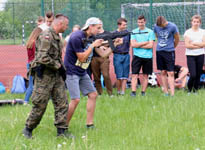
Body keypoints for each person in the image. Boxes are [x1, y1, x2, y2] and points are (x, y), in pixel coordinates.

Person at [22, 14, 73, 139]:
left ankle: (62, 132)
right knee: (40, 104)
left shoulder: (56, 37)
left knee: (62, 103)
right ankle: (28, 129)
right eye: (66, 25)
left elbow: (56, 56)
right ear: (60, 24)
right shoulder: (46, 36)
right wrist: (58, 66)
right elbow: (42, 57)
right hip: (44, 76)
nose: (67, 27)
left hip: (55, 76)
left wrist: (62, 69)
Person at [154, 16, 180, 96]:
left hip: (169, 52)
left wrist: (172, 47)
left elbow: (177, 38)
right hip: (159, 51)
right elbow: (157, 36)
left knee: (171, 72)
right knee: (163, 72)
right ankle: (166, 92)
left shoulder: (172, 26)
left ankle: (172, 93)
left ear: (165, 22)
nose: (161, 27)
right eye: (160, 26)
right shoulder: (155, 26)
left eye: (162, 26)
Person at [130, 15, 155, 97]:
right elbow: (133, 44)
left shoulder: (150, 32)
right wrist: (145, 42)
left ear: (145, 22)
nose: (140, 24)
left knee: (145, 75)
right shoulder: (134, 31)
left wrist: (138, 45)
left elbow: (151, 45)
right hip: (137, 56)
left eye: (142, 22)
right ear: (137, 22)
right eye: (139, 22)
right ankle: (133, 92)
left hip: (148, 57)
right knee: (134, 75)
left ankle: (143, 92)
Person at [184, 15, 205, 93]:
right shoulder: (188, 32)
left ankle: (195, 91)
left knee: (198, 74)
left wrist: (194, 44)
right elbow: (187, 45)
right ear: (191, 22)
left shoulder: (203, 32)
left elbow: (204, 44)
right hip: (190, 56)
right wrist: (199, 45)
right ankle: (189, 90)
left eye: (197, 22)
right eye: (194, 22)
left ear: (200, 23)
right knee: (193, 74)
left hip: (200, 55)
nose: (196, 23)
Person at [91, 25, 113, 96]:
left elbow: (112, 46)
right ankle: (99, 93)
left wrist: (105, 48)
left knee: (106, 75)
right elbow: (92, 45)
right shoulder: (93, 34)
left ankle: (110, 93)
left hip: (105, 58)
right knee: (96, 76)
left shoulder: (108, 34)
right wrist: (101, 46)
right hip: (94, 57)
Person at [24, 27, 43, 105]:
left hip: (29, 64)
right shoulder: (35, 43)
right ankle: (26, 101)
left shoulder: (29, 43)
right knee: (36, 84)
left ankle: (26, 101)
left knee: (31, 84)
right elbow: (37, 55)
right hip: (35, 65)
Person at [113, 18, 131, 95]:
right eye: (124, 25)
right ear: (119, 25)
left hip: (126, 55)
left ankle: (123, 92)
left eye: (126, 24)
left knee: (125, 75)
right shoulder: (113, 34)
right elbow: (110, 46)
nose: (125, 26)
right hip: (117, 55)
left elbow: (129, 43)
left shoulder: (128, 33)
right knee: (119, 75)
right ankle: (118, 91)